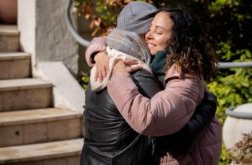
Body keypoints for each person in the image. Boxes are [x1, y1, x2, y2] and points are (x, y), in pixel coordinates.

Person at [87, 7, 222, 165]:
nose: (148, 36)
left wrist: (119, 76)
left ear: (177, 38)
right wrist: (99, 53)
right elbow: (111, 38)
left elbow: (148, 118)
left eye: (158, 32)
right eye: (148, 30)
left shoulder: (185, 75)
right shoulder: (154, 62)